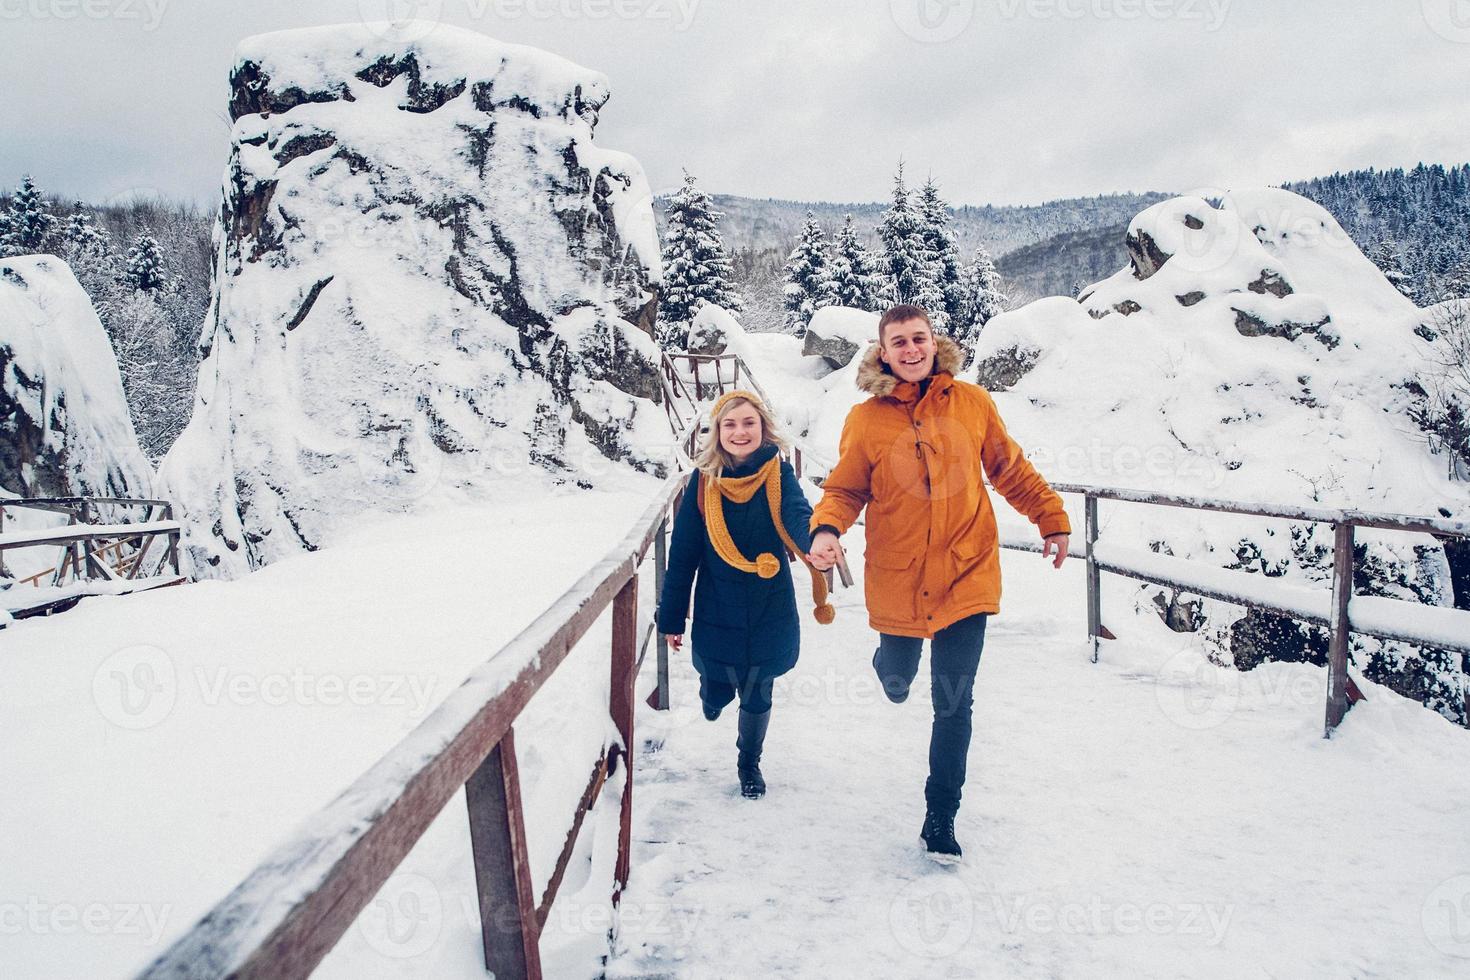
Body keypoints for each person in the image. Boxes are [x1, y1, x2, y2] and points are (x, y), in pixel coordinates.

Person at [807, 304, 1070, 863]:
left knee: (954, 701)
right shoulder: (867, 419)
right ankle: (887, 667)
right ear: (883, 352)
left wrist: (1051, 516)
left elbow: (1010, 469)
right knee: (901, 680)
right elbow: (846, 489)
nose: (910, 350)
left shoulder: (973, 404)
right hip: (899, 577)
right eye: (897, 342)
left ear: (934, 342)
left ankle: (940, 817)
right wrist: (827, 528)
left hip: (967, 573)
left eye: (918, 338)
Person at [657, 389, 835, 799]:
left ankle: (748, 762)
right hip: (717, 601)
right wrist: (671, 619)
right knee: (716, 677)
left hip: (768, 601)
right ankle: (712, 691)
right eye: (730, 424)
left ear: (763, 428)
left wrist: (814, 541)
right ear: (717, 432)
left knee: (758, 688)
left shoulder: (778, 472)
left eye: (748, 423)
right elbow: (683, 553)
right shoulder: (702, 484)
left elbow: (796, 512)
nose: (740, 432)